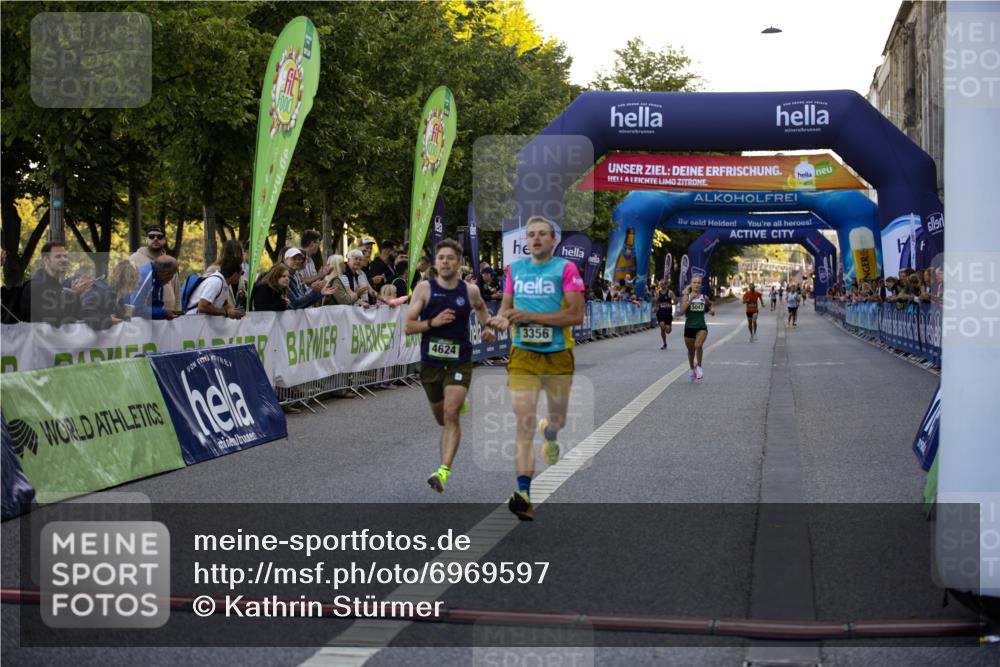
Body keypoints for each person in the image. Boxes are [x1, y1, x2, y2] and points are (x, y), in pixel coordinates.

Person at [494, 216, 586, 521]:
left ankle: (552, 431)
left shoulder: (566, 269)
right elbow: (506, 309)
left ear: (552, 240)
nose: (535, 239)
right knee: (524, 423)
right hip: (523, 355)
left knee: (557, 418)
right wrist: (502, 319)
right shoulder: (515, 270)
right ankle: (524, 493)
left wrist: (531, 317)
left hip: (558, 354)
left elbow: (575, 315)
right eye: (531, 234)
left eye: (542, 234)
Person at [405, 239, 501, 494]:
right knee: (441, 418)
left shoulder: (469, 291)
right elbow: (408, 326)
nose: (445, 261)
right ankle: (454, 400)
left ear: (459, 263)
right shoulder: (424, 289)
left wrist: (488, 327)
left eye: (450, 258)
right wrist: (432, 323)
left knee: (451, 414)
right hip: (431, 364)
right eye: (441, 258)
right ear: (436, 263)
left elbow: (482, 309)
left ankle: (443, 471)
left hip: (460, 360)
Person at [16, 241, 92, 326]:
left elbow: (74, 317)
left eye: (65, 256)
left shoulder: (56, 285)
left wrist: (78, 294)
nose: (64, 260)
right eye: (58, 256)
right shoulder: (35, 286)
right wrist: (73, 294)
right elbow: (56, 320)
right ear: (46, 260)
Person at [130, 225, 179, 313]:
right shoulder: (134, 259)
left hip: (169, 314)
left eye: (160, 237)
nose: (155, 239)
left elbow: (176, 288)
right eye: (151, 236)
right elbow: (128, 287)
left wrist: (178, 310)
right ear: (146, 239)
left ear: (164, 240)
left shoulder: (170, 262)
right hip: (145, 315)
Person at [80, 259, 139, 329]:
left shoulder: (118, 295)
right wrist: (109, 320)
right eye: (134, 283)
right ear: (127, 281)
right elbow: (87, 312)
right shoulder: (101, 291)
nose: (136, 286)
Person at [679, 275, 714, 381]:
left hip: (701, 327)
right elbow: (681, 311)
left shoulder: (704, 297)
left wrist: (712, 310)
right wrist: (690, 301)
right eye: (694, 282)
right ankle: (691, 368)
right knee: (691, 352)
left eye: (698, 283)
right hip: (689, 327)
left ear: (701, 285)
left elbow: (711, 304)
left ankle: (699, 366)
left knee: (698, 345)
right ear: (691, 284)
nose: (696, 284)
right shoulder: (686, 297)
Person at [130, 255, 179, 320]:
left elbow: (156, 305)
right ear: (166, 274)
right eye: (172, 275)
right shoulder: (146, 276)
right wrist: (163, 313)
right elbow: (135, 308)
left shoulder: (158, 277)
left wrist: (166, 313)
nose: (170, 280)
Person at [654, 279, 675, 349]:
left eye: (663, 284)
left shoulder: (670, 292)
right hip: (660, 312)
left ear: (666, 285)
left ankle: (669, 326)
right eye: (661, 284)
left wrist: (671, 303)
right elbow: (656, 302)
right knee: (662, 327)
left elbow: (676, 301)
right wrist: (656, 307)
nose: (662, 285)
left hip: (668, 313)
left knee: (668, 331)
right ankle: (664, 343)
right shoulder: (658, 293)